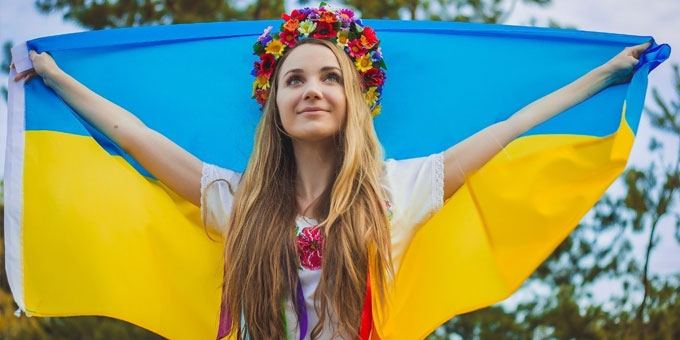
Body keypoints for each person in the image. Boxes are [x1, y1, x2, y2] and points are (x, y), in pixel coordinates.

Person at [14, 3, 650, 339]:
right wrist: (54, 77)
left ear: (353, 100)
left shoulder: (396, 193)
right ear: (276, 107)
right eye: (294, 79)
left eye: (328, 78)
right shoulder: (237, 203)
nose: (311, 90)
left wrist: (601, 76)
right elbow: (137, 139)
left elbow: (508, 129)